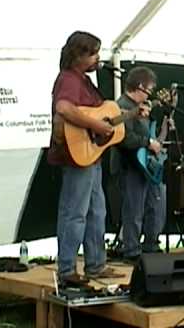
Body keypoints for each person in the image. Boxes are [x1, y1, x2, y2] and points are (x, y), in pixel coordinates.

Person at [48, 31, 124, 285]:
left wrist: (131, 115)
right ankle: (67, 270)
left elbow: (102, 115)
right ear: (78, 55)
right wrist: (96, 125)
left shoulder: (85, 81)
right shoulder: (69, 79)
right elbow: (63, 108)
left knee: (96, 211)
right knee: (75, 213)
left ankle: (96, 264)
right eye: (92, 53)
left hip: (92, 157)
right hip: (76, 157)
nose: (97, 58)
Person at [111, 66, 173, 264]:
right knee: (133, 209)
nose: (152, 92)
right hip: (129, 165)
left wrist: (164, 125)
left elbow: (149, 131)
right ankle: (131, 250)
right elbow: (124, 137)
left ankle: (151, 244)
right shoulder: (121, 106)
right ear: (140, 86)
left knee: (156, 204)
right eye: (150, 88)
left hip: (146, 165)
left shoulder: (144, 106)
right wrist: (148, 143)